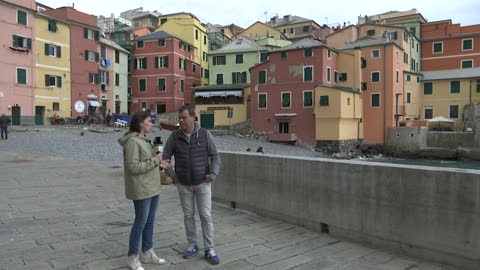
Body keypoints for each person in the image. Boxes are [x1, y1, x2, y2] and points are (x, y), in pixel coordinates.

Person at [163, 105, 221, 265]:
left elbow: (215, 156)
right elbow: (165, 158)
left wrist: (213, 174)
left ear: (193, 117)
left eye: (183, 117)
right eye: (179, 118)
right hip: (183, 184)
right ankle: (192, 245)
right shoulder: (174, 137)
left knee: (206, 216)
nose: (180, 120)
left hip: (202, 183)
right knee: (188, 216)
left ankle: (209, 248)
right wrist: (173, 176)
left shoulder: (205, 134)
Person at [118, 110, 172, 270]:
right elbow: (133, 167)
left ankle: (147, 252)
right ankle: (133, 256)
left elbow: (147, 161)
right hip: (142, 189)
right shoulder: (134, 142)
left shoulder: (143, 140)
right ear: (141, 123)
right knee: (140, 222)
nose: (151, 123)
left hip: (152, 187)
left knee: (149, 222)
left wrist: (160, 163)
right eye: (149, 121)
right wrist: (155, 160)